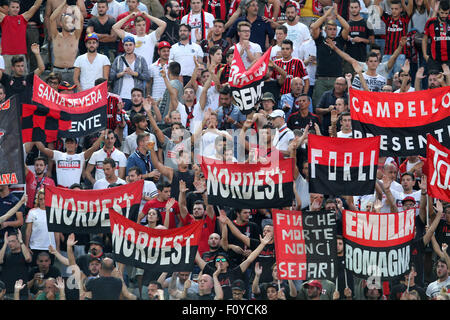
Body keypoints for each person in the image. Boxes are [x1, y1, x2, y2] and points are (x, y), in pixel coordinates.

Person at [310, 5, 349, 106]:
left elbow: (347, 27)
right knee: (318, 106)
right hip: (321, 80)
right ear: (325, 30)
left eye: (334, 29)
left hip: (336, 80)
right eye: (330, 29)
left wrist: (337, 15)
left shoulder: (340, 41)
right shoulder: (320, 41)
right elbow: (314, 27)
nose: (332, 31)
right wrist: (326, 14)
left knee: (337, 106)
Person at [34, 134, 104, 188]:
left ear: (76, 145)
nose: (69, 145)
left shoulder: (80, 156)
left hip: (75, 191)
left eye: (71, 143)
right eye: (68, 143)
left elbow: (94, 147)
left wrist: (102, 136)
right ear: (65, 144)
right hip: (61, 191)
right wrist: (34, 134)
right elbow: (42, 149)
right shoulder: (58, 155)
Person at [0, 0, 43, 74]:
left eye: (17, 7)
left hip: (21, 54)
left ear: (19, 9)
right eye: (13, 7)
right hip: (6, 54)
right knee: (5, 81)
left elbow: (35, 6)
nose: (15, 9)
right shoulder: (4, 18)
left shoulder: (23, 18)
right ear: (8, 8)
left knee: (23, 80)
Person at [373, 0, 411, 80]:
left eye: (396, 9)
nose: (393, 11)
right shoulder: (388, 18)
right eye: (392, 9)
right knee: (386, 78)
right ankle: (387, 92)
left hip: (400, 54)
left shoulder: (405, 19)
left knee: (399, 78)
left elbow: (410, 6)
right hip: (387, 53)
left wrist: (403, 3)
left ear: (401, 9)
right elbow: (376, 6)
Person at [49, 0, 83, 84]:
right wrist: (64, 2)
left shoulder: (75, 36)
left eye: (71, 22)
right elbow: (51, 19)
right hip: (57, 71)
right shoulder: (56, 35)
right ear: (61, 23)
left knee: (72, 96)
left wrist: (75, 5)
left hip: (72, 71)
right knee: (57, 96)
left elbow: (81, 20)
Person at [109, 36, 151, 103]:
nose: (128, 47)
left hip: (136, 97)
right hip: (120, 95)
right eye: (126, 45)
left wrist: (134, 73)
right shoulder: (118, 59)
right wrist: (121, 73)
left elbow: (147, 76)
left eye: (130, 45)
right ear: (123, 46)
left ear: (134, 46)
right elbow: (111, 76)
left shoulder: (141, 59)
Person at [24, 189, 57, 265]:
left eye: (45, 199)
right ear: (38, 200)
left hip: (50, 248)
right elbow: (28, 231)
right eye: (41, 199)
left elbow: (56, 232)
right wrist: (26, 246)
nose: (43, 201)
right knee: (35, 272)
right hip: (35, 247)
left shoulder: (54, 212)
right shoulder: (32, 212)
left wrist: (57, 248)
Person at [0, 230, 32, 300]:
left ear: (18, 241)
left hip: (22, 292)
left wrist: (21, 241)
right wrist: (5, 243)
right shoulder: (6, 255)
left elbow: (28, 258)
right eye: (9, 241)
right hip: (7, 292)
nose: (10, 244)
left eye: (13, 241)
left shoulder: (24, 254)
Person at [423, 0, 450, 72]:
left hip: (449, 60)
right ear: (438, 10)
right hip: (434, 61)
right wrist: (425, 55)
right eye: (442, 13)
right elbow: (424, 39)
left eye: (446, 13)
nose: (444, 15)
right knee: (434, 82)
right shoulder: (430, 22)